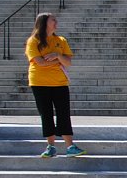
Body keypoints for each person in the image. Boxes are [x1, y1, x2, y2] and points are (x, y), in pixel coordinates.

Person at [25, 13, 84, 158]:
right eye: (53, 20)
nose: (56, 22)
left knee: (63, 113)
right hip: (39, 82)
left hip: (59, 82)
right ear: (44, 23)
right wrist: (58, 60)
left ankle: (70, 145)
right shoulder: (33, 41)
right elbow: (40, 62)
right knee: (46, 113)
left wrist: (57, 56)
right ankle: (50, 146)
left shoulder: (61, 40)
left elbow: (68, 62)